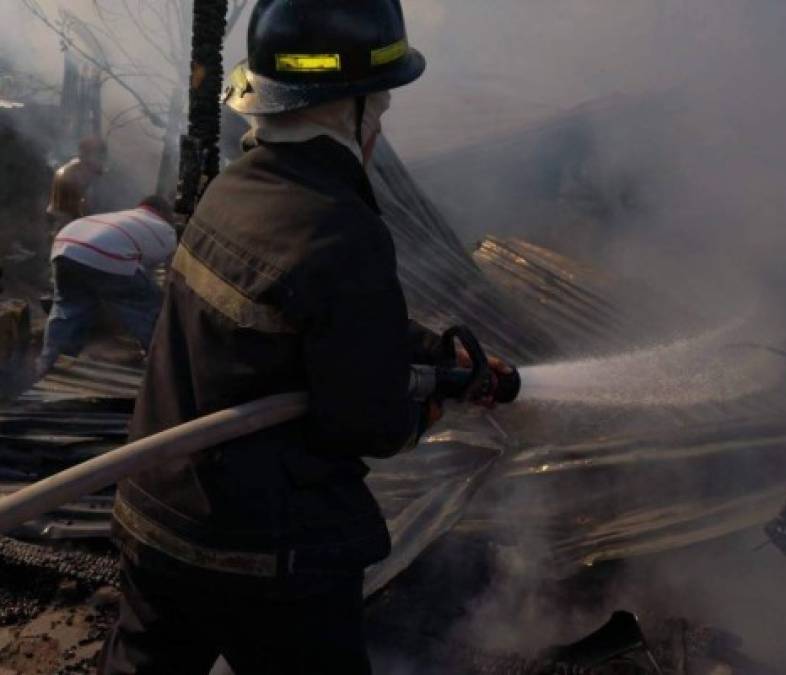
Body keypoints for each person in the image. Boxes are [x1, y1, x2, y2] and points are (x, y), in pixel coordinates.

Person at [100, 2, 511, 674]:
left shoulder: (230, 189)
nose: (379, 121)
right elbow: (368, 421)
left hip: (155, 513)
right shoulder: (340, 229)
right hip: (267, 553)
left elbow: (317, 319)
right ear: (347, 108)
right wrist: (430, 405)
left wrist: (437, 354)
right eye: (377, 105)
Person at [36, 196, 177, 377]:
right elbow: (167, 274)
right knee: (150, 305)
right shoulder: (165, 229)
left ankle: (50, 362)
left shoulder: (124, 217)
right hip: (103, 253)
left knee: (69, 309)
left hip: (65, 246)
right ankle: (160, 363)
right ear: (165, 214)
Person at [46, 136, 107, 231]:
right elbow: (71, 214)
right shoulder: (70, 177)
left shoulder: (82, 171)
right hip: (65, 225)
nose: (101, 161)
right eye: (99, 156)